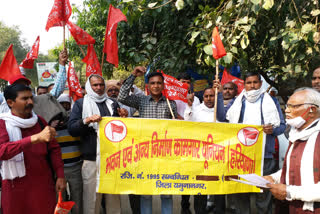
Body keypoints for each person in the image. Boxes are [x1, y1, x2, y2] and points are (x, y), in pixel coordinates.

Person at [218, 72, 286, 214]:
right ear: (244, 85)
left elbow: (282, 126)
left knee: (263, 194)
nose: (252, 86)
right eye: (249, 83)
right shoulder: (238, 101)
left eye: (255, 82)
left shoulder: (271, 101)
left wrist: (272, 130)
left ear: (260, 84)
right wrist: (219, 95)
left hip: (264, 156)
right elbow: (222, 117)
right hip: (240, 155)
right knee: (241, 193)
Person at [118, 68, 177, 214]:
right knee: (145, 192)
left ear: (163, 85)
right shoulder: (141, 101)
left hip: (165, 154)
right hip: (145, 154)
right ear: (148, 86)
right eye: (152, 83)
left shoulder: (171, 103)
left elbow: (176, 128)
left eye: (158, 83)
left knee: (167, 191)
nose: (156, 86)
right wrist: (133, 75)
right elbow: (122, 96)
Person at [0, 83, 66, 213]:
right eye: (25, 99)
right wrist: (34, 139)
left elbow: (54, 149)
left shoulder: (40, 121)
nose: (30, 102)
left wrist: (60, 175)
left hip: (42, 186)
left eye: (31, 98)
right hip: (14, 188)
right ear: (10, 102)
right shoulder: (3, 123)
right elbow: (3, 151)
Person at [68, 74, 128, 214]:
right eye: (95, 85)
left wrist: (124, 118)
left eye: (101, 85)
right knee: (91, 199)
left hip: (112, 159)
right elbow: (72, 129)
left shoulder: (113, 103)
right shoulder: (81, 104)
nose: (99, 88)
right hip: (91, 159)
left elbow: (121, 129)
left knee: (113, 197)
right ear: (90, 86)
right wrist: (87, 120)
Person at [264, 87, 320, 213]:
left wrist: (290, 192)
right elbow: (292, 169)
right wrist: (273, 178)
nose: (287, 110)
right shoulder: (296, 134)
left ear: (312, 110)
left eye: (293, 106)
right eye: (287, 106)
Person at [183, 86, 223, 214]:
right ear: (203, 97)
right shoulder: (197, 110)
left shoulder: (221, 111)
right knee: (200, 187)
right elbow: (187, 123)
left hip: (218, 156)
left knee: (219, 188)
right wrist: (189, 106)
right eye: (206, 96)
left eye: (212, 96)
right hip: (200, 156)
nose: (209, 99)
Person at [55, 94, 83, 214]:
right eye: (61, 104)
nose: (64, 106)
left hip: (76, 166)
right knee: (60, 199)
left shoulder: (75, 120)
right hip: (59, 168)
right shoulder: (51, 122)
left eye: (66, 103)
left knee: (77, 198)